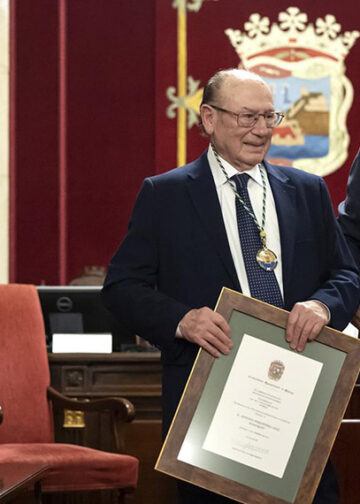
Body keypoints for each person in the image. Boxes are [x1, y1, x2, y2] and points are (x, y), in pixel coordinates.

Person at [102, 69, 359, 504]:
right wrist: (181, 320)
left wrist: (321, 306)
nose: (261, 131)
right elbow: (121, 288)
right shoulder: (165, 195)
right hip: (209, 402)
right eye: (246, 117)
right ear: (208, 118)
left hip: (297, 396)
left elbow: (347, 275)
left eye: (268, 117)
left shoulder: (307, 191)